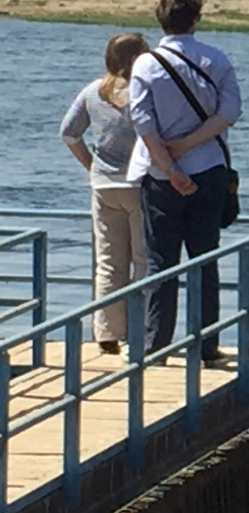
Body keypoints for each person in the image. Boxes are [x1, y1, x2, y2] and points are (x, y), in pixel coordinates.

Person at [127, 0, 241, 367]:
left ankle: (155, 346)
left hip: (159, 176)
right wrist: (192, 143)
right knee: (204, 257)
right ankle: (207, 344)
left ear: (160, 19)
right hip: (208, 168)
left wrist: (170, 167)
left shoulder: (145, 64)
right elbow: (230, 111)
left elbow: (142, 122)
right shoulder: (215, 59)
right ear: (196, 18)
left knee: (160, 261)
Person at [60, 32, 151, 355]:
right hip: (139, 185)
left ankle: (107, 331)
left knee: (109, 262)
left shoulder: (92, 92)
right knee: (143, 260)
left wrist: (91, 166)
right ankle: (141, 332)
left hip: (103, 184)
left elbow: (68, 132)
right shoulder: (143, 92)